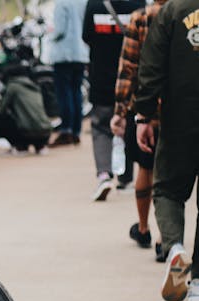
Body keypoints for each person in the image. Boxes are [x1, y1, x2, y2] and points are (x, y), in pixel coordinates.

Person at [135, 0, 199, 301]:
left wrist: (144, 115)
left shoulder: (173, 11)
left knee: (167, 191)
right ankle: (198, 284)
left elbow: (151, 66)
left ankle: (174, 247)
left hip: (180, 120)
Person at [111, 0, 167, 259]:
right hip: (179, 107)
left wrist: (121, 110)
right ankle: (166, 238)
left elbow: (128, 68)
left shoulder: (140, 18)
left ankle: (143, 228)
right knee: (169, 173)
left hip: (145, 106)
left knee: (145, 167)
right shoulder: (187, 16)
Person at [82, 0, 143, 201]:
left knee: (101, 127)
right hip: (130, 77)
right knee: (129, 125)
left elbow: (86, 36)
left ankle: (105, 174)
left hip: (101, 75)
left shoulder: (94, 4)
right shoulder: (137, 3)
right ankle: (126, 178)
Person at [47, 0, 89, 149]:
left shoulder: (62, 3)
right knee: (76, 93)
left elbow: (59, 30)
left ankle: (66, 130)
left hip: (64, 54)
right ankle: (76, 131)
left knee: (64, 94)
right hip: (81, 54)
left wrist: (48, 35)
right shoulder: (83, 2)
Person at [0, 66, 53, 154]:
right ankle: (39, 146)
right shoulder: (34, 86)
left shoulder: (13, 86)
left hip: (26, 133)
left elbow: (1, 110)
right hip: (45, 133)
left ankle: (20, 146)